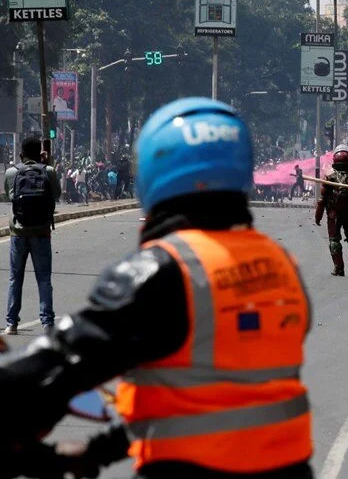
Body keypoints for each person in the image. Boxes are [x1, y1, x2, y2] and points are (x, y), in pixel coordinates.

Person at [0, 98, 313, 478]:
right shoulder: (282, 267)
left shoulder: (162, 271)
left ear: (155, 170)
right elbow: (211, 401)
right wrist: (98, 450)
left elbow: (56, 368)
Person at [3, 135, 61, 335]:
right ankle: (47, 323)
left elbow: (7, 195)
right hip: (42, 232)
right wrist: (47, 166)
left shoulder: (12, 172)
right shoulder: (49, 171)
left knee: (15, 278)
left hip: (18, 232)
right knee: (44, 279)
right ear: (41, 154)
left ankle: (11, 323)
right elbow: (57, 195)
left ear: (21, 153)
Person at [315, 145, 348, 277]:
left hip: (334, 215)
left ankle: (339, 268)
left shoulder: (330, 178)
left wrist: (318, 216)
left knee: (334, 241)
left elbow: (322, 200)